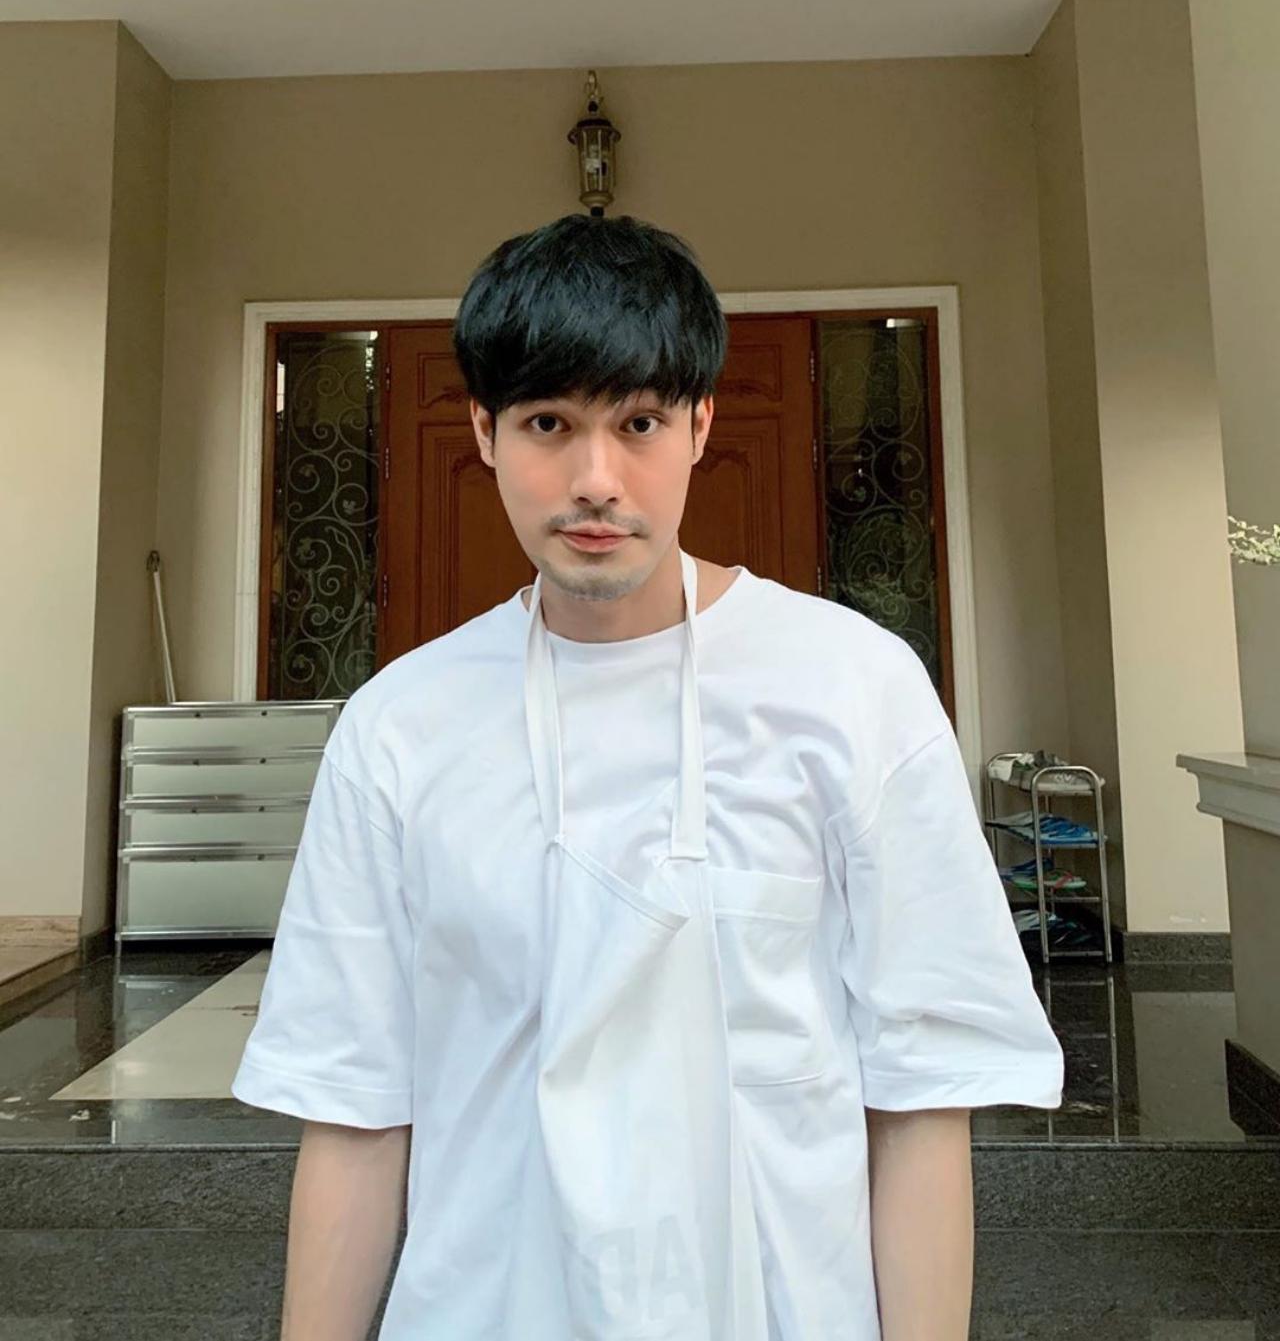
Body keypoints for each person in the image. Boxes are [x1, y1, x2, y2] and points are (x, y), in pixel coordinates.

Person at [231, 212, 1064, 1341]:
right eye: (547, 422)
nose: (594, 479)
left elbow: (921, 1092)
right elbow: (353, 1105)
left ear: (699, 424)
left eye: (637, 422)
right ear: (482, 432)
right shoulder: (399, 728)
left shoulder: (852, 688)